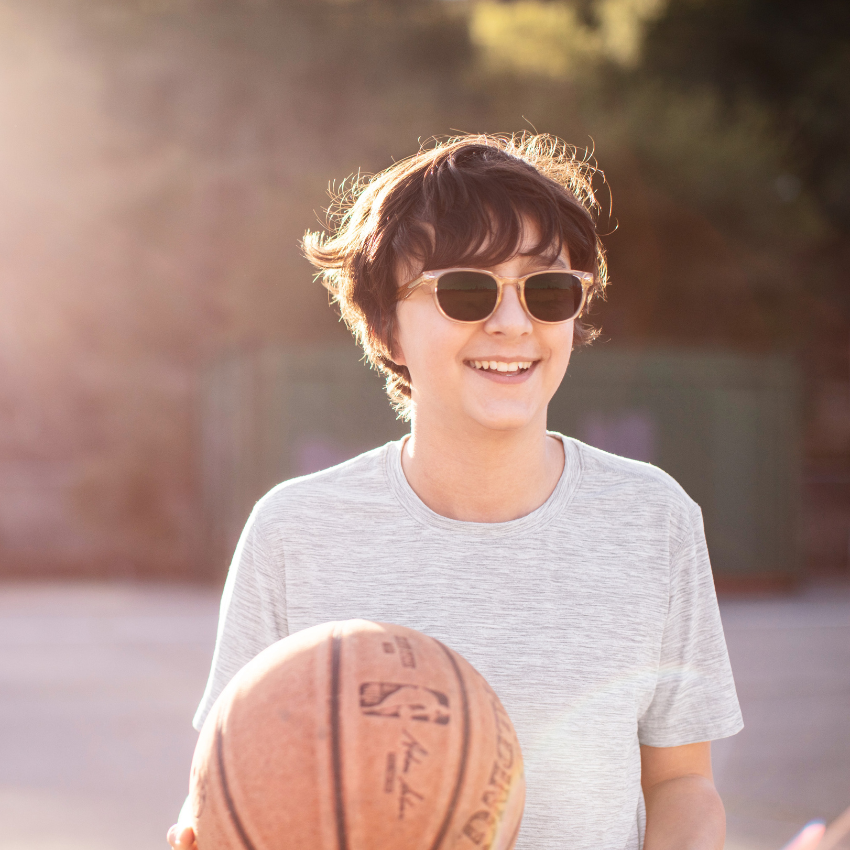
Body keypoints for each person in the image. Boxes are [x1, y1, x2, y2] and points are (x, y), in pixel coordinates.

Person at [168, 133, 743, 850]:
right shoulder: (295, 531)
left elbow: (682, 783)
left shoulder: (652, 520)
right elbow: (237, 779)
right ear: (386, 325)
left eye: (548, 289)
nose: (512, 322)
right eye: (465, 289)